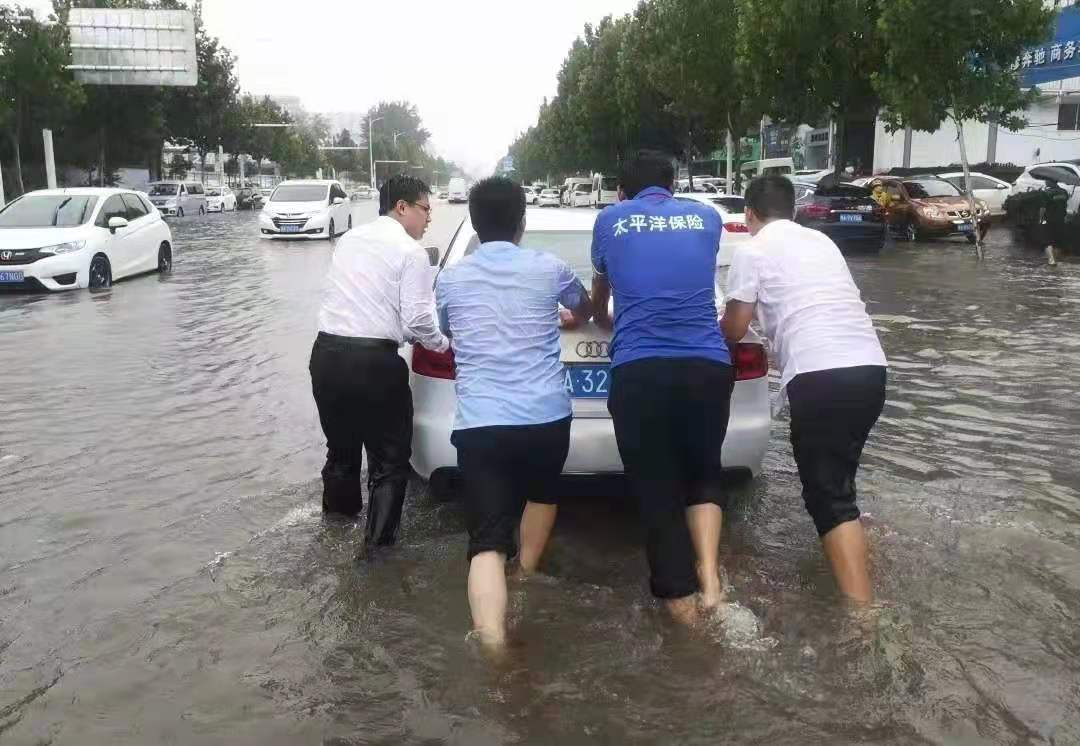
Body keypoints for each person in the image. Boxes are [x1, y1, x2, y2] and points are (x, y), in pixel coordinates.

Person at [436, 177, 592, 649]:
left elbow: (447, 327)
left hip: (481, 423)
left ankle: (492, 645)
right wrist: (568, 318)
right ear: (522, 222)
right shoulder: (550, 267)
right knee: (542, 495)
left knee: (486, 539)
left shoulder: (451, 278)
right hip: (546, 417)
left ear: (475, 224)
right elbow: (584, 308)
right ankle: (524, 573)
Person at [721, 175, 887, 603]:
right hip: (870, 368)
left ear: (749, 214)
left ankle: (861, 614)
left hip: (820, 375)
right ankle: (853, 557)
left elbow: (735, 328)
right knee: (839, 479)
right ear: (792, 211)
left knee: (826, 496)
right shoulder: (822, 242)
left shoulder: (752, 251)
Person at [591, 151, 734, 626]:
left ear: (621, 192)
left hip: (641, 369)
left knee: (657, 488)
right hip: (708, 366)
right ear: (672, 186)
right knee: (704, 473)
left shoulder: (610, 219)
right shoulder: (707, 217)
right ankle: (710, 578)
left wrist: (599, 317)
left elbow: (601, 296)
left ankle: (684, 614)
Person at [309, 175, 448, 547]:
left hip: (326, 357)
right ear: (402, 207)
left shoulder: (349, 239)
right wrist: (442, 344)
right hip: (374, 364)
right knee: (389, 464)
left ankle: (335, 534)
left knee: (340, 453)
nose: (429, 218)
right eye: (425, 208)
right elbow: (419, 321)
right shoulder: (411, 253)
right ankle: (376, 557)